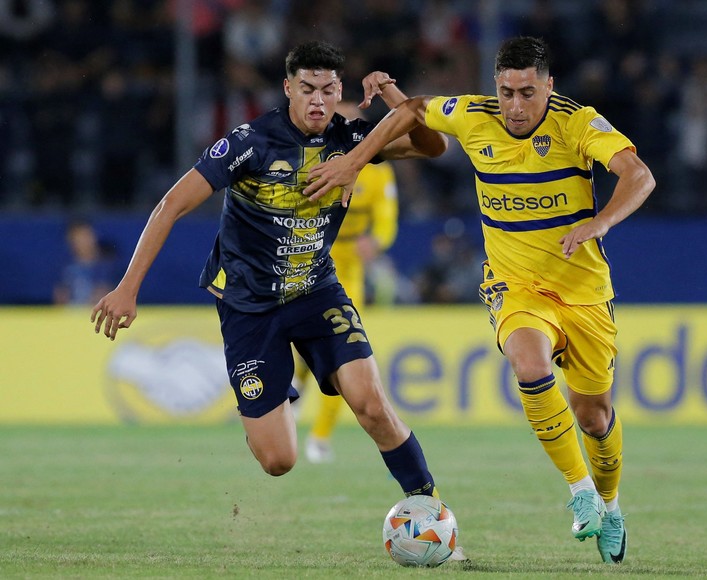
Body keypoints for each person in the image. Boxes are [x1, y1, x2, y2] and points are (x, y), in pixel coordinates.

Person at [304, 36, 655, 564]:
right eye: (507, 91)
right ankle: (580, 489)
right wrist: (357, 157)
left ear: (549, 87)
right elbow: (418, 112)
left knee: (594, 418)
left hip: (583, 292)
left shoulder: (578, 122)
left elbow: (639, 175)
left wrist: (598, 222)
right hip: (515, 286)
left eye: (528, 93)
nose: (515, 105)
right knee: (528, 363)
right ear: (496, 86)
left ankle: (610, 502)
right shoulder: (475, 115)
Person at [91, 42, 450, 506]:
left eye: (328, 89)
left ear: (339, 90)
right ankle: (265, 412)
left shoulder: (351, 140)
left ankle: (431, 508)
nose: (318, 100)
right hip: (249, 305)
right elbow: (170, 206)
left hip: (315, 290)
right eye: (307, 89)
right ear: (288, 89)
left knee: (371, 404)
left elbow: (434, 144)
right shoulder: (249, 143)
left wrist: (391, 94)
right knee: (278, 460)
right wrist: (127, 287)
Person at [299, 100, 400, 463]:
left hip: (348, 268)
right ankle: (295, 382)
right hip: (307, 257)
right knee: (304, 343)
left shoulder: (377, 171)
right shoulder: (311, 157)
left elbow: (387, 221)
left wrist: (375, 241)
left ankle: (320, 437)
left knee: (341, 353)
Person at [54, 219, 117, 306]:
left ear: (93, 236)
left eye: (85, 236)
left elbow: (108, 294)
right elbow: (60, 297)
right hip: (72, 315)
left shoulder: (108, 266)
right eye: (77, 238)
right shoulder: (66, 268)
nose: (82, 242)